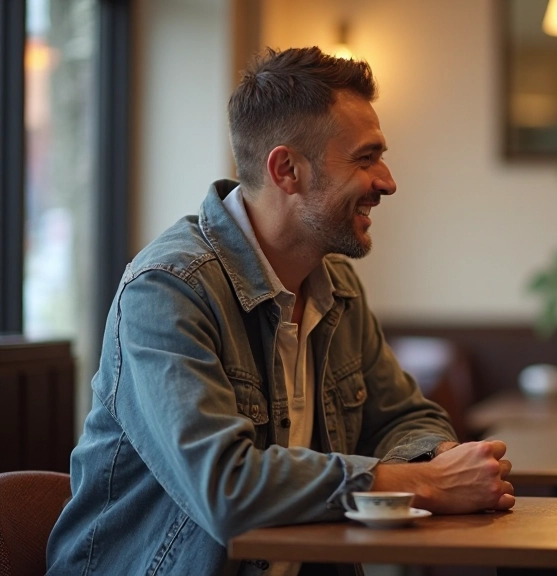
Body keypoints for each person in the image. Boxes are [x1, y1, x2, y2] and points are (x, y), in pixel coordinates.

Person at [47, 47, 514, 576]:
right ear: (287, 169)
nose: (387, 181)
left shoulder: (335, 284)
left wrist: (438, 462)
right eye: (365, 158)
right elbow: (227, 488)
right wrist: (424, 484)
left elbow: (407, 417)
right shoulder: (167, 290)